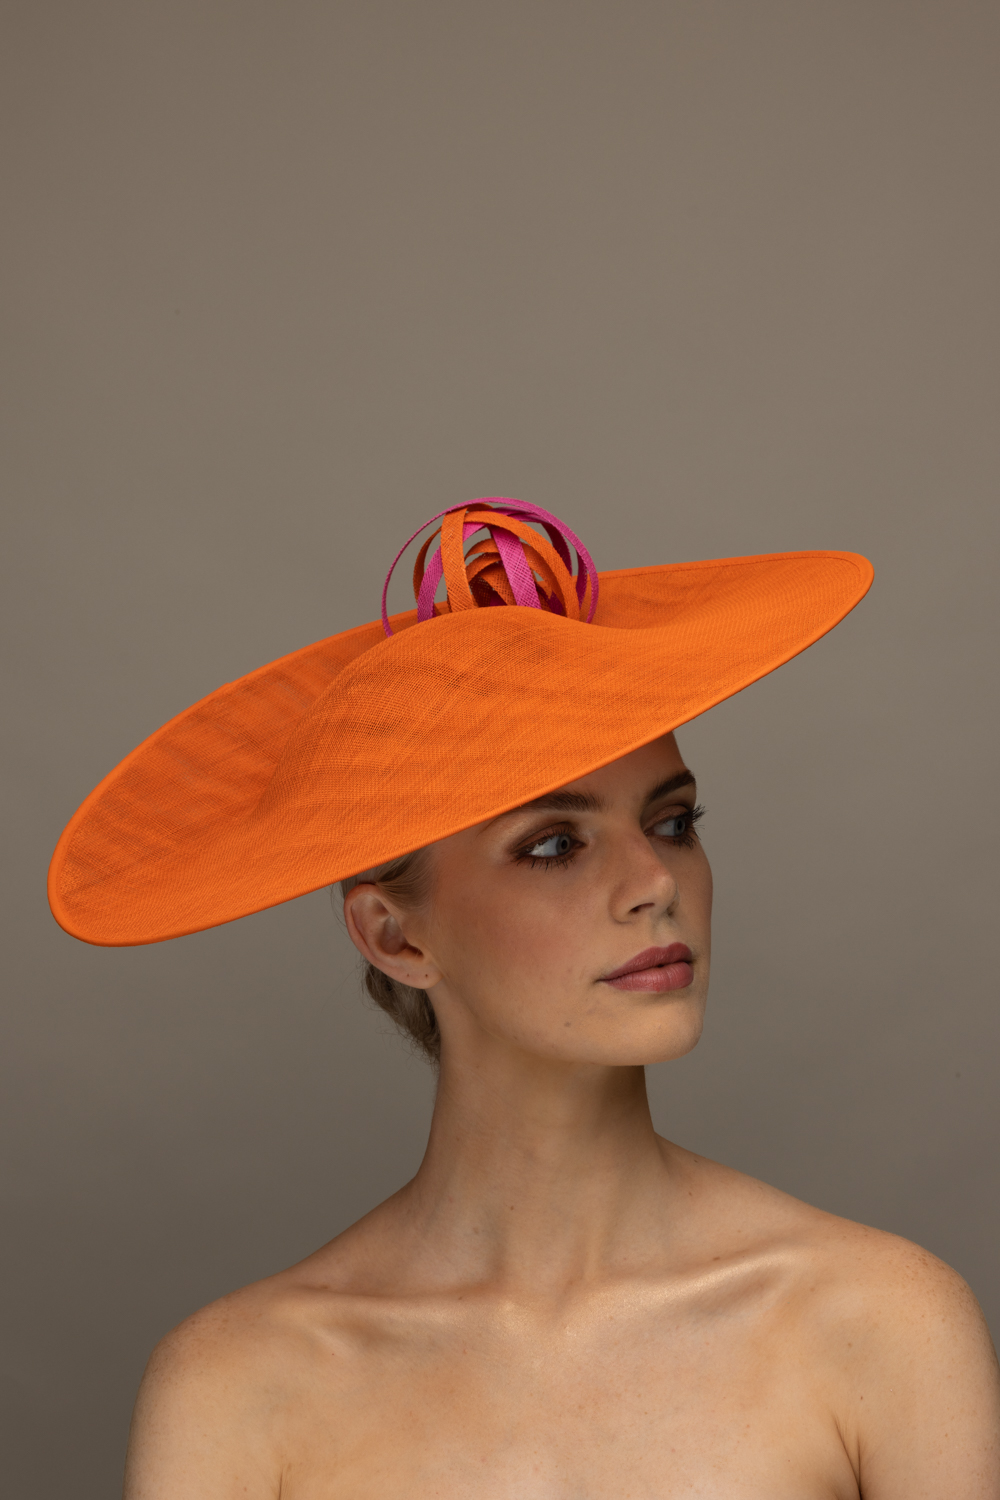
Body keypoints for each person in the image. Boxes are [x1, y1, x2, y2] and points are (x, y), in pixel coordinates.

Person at [50, 500, 1000, 1497]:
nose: (654, 882)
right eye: (554, 844)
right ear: (396, 936)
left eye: (672, 823)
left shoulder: (879, 1325)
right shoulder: (240, 1387)